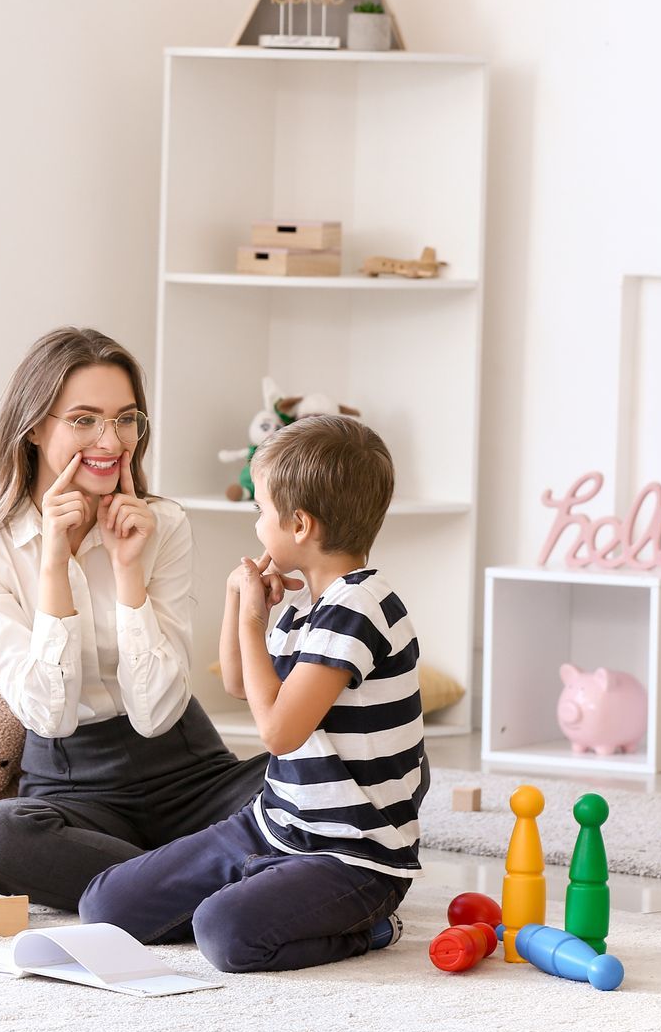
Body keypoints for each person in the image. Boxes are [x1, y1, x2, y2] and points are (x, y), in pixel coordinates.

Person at [0, 326, 267, 911]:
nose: (110, 441)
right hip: (73, 787)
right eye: (84, 419)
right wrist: (55, 565)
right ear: (34, 427)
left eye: (126, 418)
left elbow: (159, 710)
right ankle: (230, 881)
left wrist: (129, 569)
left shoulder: (163, 523)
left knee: (339, 764)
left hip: (189, 772)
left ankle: (155, 889)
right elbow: (48, 714)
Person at [77, 413, 424, 972]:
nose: (258, 525)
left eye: (262, 512)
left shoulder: (361, 607)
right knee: (103, 907)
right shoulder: (305, 606)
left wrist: (249, 623)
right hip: (272, 826)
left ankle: (374, 928)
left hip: (354, 858)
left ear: (301, 525)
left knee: (225, 934)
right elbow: (241, 683)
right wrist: (242, 603)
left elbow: (279, 732)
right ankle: (268, 889)